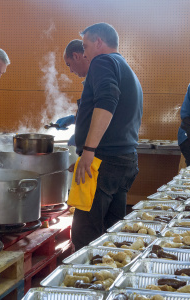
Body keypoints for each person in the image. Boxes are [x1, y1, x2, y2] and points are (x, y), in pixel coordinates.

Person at [70, 23, 143, 250]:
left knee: (84, 235)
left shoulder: (103, 61)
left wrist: (89, 150)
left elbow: (107, 100)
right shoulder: (125, 68)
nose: (84, 53)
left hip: (103, 161)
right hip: (125, 160)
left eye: (86, 46)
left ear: (99, 42)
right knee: (112, 231)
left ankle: (84, 282)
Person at [55, 40, 90, 146]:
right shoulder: (90, 80)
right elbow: (91, 115)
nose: (70, 70)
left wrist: (83, 139)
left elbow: (103, 115)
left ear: (76, 56)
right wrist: (74, 119)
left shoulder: (98, 79)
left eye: (69, 64)